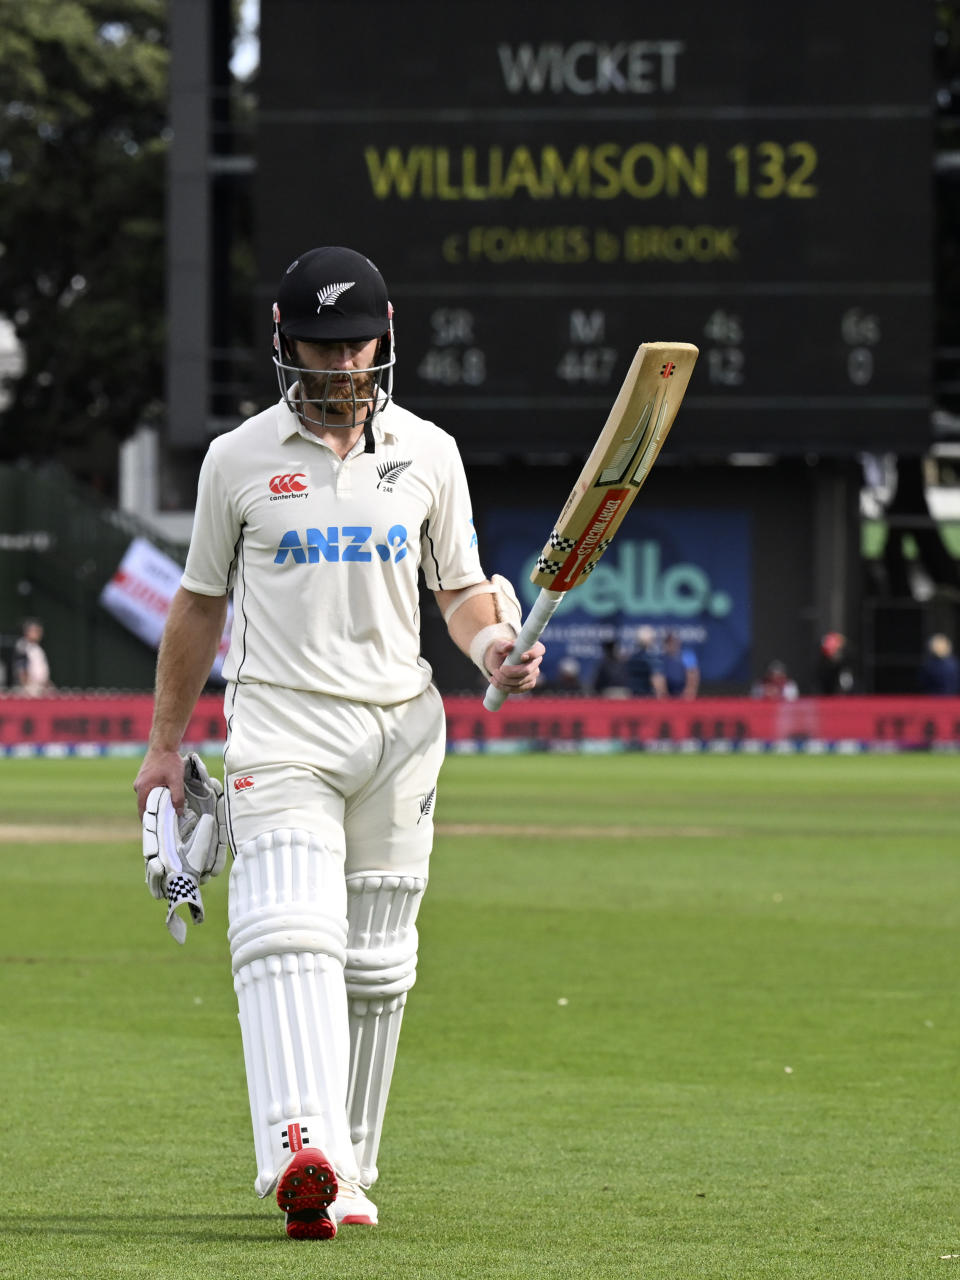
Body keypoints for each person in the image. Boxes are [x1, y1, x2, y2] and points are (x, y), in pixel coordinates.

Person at [133, 246, 544, 1242]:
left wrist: (494, 640)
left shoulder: (429, 453)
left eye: (353, 347)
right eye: (318, 351)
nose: (339, 369)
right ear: (284, 345)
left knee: (375, 966)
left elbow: (459, 588)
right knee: (285, 932)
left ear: (384, 336)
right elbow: (197, 605)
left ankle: (348, 1168)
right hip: (281, 724)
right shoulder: (238, 459)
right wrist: (163, 744)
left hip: (400, 729)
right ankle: (298, 1144)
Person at [11, 618, 53, 695]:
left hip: (39, 688)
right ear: (28, 632)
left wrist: (47, 685)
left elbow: (41, 671)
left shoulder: (37, 648)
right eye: (36, 631)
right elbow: (21, 668)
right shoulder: (23, 646)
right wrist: (26, 687)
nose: (39, 634)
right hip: (29, 689)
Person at [625, 625, 666, 698]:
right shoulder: (651, 659)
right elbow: (656, 680)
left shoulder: (632, 658)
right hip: (647, 698)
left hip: (634, 697)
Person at [660, 631, 699, 699]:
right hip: (669, 692)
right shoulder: (663, 658)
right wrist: (664, 694)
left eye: (672, 642)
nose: (670, 645)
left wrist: (689, 691)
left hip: (683, 691)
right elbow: (660, 677)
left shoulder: (686, 655)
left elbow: (693, 674)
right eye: (668, 643)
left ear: (677, 643)